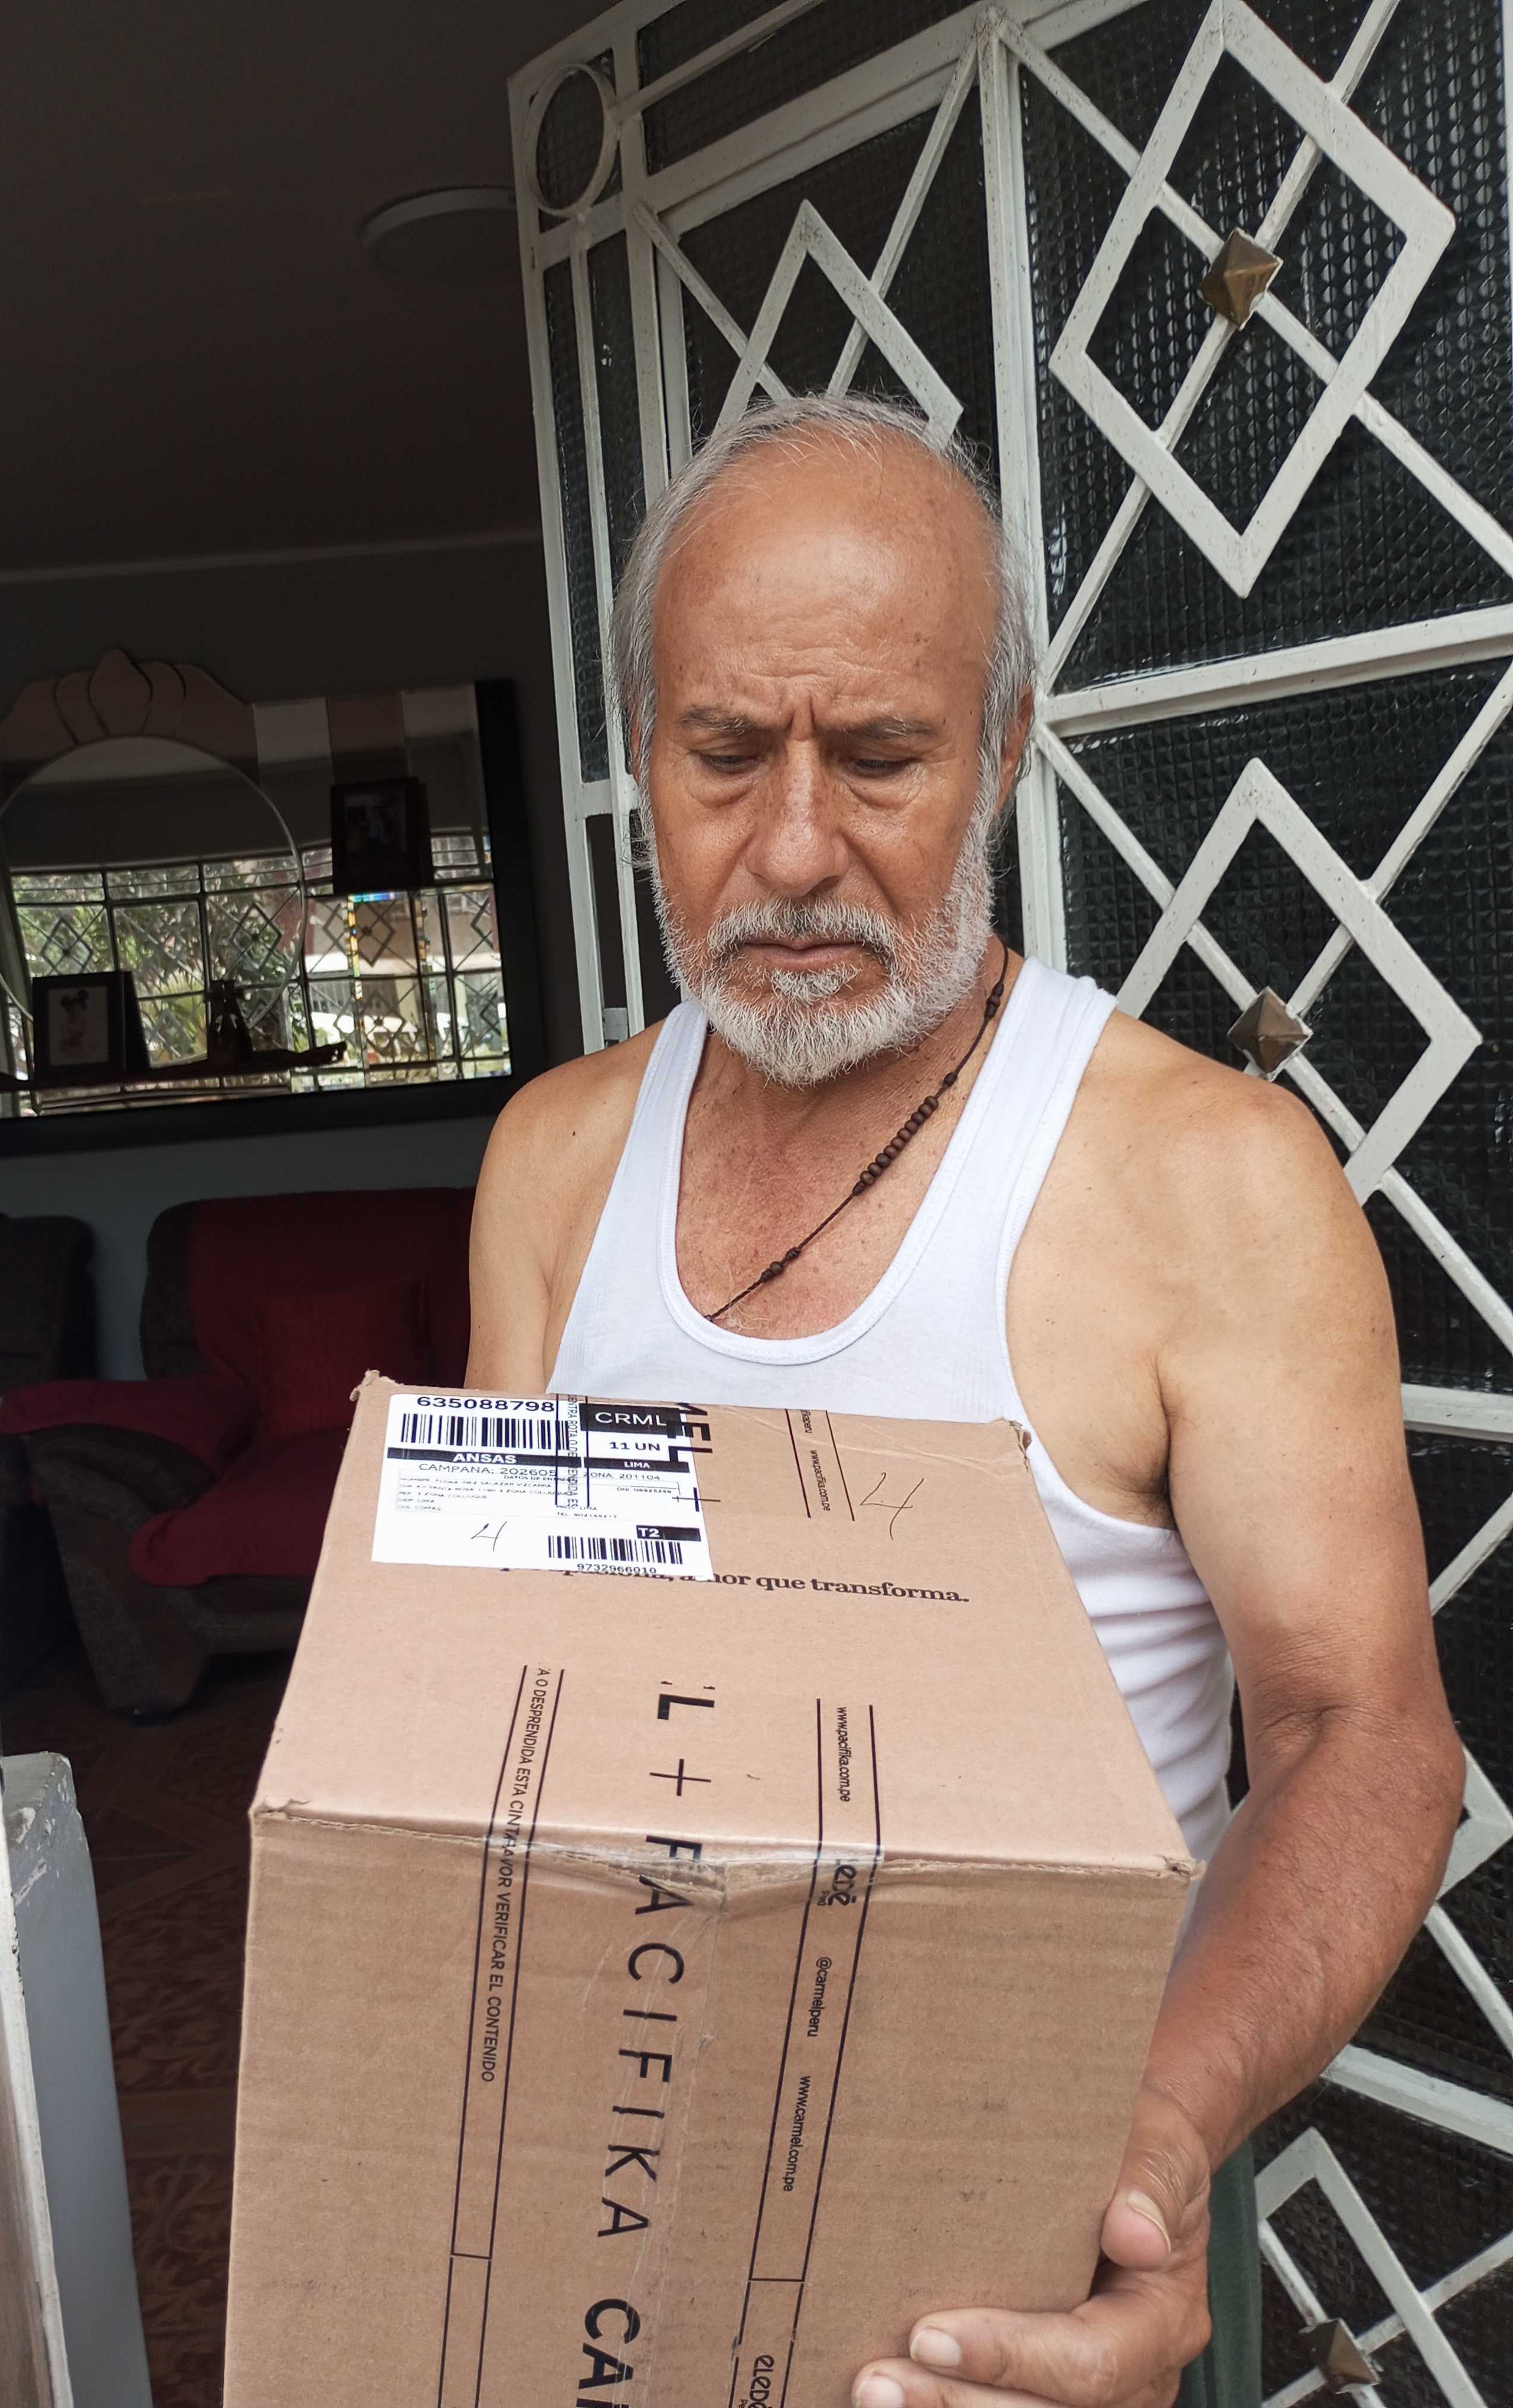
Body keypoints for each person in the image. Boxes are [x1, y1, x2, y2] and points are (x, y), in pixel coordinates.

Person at [465, 394, 1463, 2408]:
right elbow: (499, 1681)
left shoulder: (1205, 1181)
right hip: (629, 2182)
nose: (794, 850)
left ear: (1004, 749)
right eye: (723, 757)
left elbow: (1365, 1740)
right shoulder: (556, 1164)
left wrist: (1157, 2145)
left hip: (1040, 2225)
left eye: (882, 758)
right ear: (643, 750)